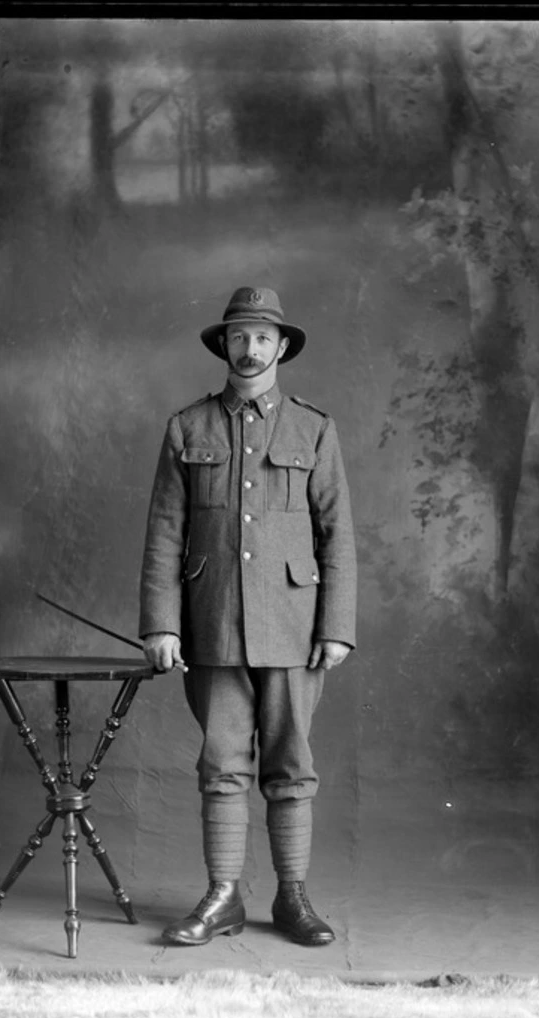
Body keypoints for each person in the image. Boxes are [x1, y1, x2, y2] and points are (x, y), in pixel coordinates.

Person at [139, 286, 357, 947]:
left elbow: (337, 532)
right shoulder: (188, 428)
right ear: (224, 344)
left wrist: (336, 626)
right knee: (221, 763)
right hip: (212, 624)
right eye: (240, 335)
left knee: (291, 763)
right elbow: (165, 532)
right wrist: (161, 623)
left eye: (264, 336)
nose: (251, 346)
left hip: (294, 625)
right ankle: (224, 895)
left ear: (282, 346)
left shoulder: (314, 428)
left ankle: (293, 897)